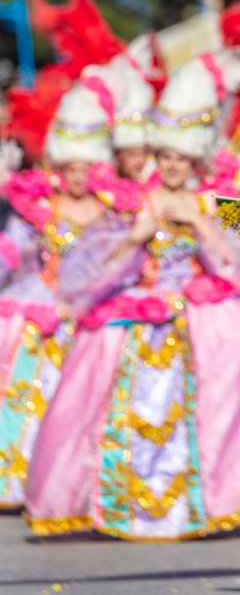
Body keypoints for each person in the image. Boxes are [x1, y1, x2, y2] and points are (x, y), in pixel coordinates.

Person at [25, 56, 240, 539]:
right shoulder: (133, 201)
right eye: (165, 156)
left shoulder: (212, 202)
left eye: (180, 158)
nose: (171, 165)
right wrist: (138, 235)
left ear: (194, 161)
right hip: (141, 313)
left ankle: (199, 502)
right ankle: (122, 504)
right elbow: (93, 267)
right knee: (119, 401)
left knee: (230, 368)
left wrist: (199, 223)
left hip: (192, 316)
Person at [0, 83, 121, 508]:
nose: (76, 177)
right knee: (27, 395)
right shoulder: (39, 209)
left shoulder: (110, 213)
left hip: (87, 314)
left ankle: (66, 480)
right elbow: (10, 251)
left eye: (83, 169)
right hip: (41, 309)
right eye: (68, 168)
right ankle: (17, 479)